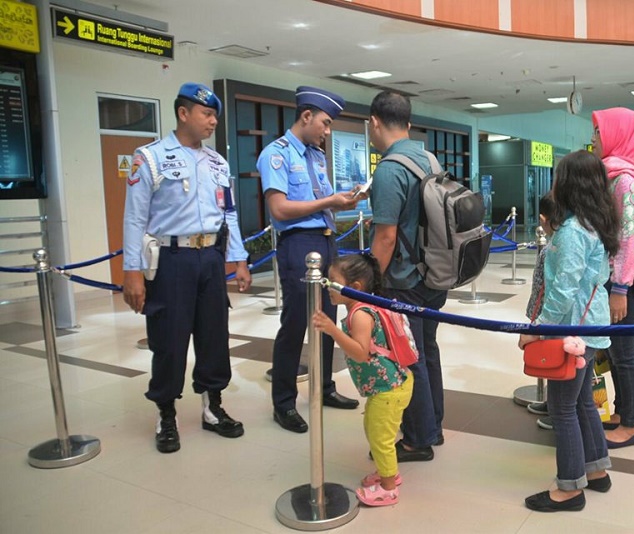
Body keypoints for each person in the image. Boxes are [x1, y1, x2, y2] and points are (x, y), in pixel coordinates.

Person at [122, 82, 251, 453]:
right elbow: (134, 218)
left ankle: (213, 407)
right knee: (169, 339)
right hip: (171, 259)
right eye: (206, 114)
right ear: (183, 113)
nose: (213, 121)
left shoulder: (218, 163)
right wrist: (132, 271)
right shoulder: (150, 158)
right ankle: (166, 414)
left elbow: (229, 214)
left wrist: (239, 260)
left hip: (210, 258)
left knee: (214, 335)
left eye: (215, 116)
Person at [518, 150, 618, 512]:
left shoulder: (575, 231)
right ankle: (596, 470)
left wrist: (539, 329)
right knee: (582, 401)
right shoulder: (596, 223)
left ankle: (570, 488)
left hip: (571, 330)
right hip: (589, 326)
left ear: (571, 184)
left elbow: (563, 289)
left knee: (562, 408)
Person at [257, 86, 361, 433]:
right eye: (325, 123)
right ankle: (284, 402)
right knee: (296, 323)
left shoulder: (316, 156)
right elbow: (279, 208)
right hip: (299, 243)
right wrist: (330, 201)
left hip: (327, 242)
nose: (327, 131)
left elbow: (320, 203)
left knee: (327, 318)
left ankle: (324, 387)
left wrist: (343, 201)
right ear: (306, 116)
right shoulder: (277, 154)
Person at [368, 90, 447, 461]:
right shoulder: (429, 158)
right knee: (427, 351)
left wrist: (370, 283)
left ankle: (418, 439)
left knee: (408, 357)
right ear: (409, 123)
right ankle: (433, 425)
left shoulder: (389, 169)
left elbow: (386, 237)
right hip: (434, 275)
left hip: (405, 281)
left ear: (374, 123)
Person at [311, 253, 414, 507]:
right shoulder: (361, 307)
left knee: (380, 439)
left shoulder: (360, 314)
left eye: (332, 281)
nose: (327, 286)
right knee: (373, 430)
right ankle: (387, 471)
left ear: (355, 286)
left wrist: (332, 330)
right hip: (386, 387)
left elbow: (360, 352)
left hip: (389, 389)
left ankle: (389, 488)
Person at [591, 107, 634, 449]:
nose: (593, 139)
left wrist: (619, 289)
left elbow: (629, 239)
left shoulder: (626, 180)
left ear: (617, 135)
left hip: (624, 282)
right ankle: (621, 412)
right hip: (615, 278)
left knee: (625, 354)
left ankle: (631, 425)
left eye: (598, 132)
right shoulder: (614, 174)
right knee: (616, 352)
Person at [523, 192, 557, 429]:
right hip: (544, 312)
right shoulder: (555, 244)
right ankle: (552, 402)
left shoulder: (555, 247)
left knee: (557, 359)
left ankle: (558, 411)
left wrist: (540, 321)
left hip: (551, 314)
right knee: (552, 359)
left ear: (543, 219)